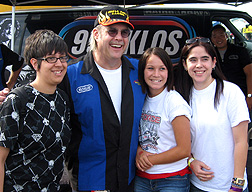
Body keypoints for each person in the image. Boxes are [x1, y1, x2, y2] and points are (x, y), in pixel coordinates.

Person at [58, 5, 146, 192]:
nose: (119, 38)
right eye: (111, 31)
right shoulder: (71, 74)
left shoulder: (140, 70)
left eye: (124, 33)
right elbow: (43, 102)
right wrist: (9, 98)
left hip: (131, 179)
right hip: (89, 180)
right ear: (96, 34)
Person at [175, 37, 249, 192]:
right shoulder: (181, 97)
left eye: (205, 59)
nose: (199, 65)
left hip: (229, 186)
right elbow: (180, 141)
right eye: (193, 60)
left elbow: (241, 142)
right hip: (197, 185)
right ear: (184, 64)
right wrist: (191, 162)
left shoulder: (230, 92)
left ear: (214, 62)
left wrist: (237, 185)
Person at [0, 29, 71, 191]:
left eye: (62, 58)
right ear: (34, 63)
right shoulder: (17, 100)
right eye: (51, 58)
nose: (59, 64)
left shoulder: (63, 99)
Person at [134, 47, 192, 192]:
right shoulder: (140, 98)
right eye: (150, 68)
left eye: (162, 69)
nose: (156, 74)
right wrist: (139, 151)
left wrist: (150, 160)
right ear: (142, 71)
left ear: (168, 72)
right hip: (142, 178)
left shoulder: (174, 102)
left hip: (172, 179)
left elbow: (184, 149)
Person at [210, 24, 252, 111]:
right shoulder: (210, 54)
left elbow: (250, 73)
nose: (218, 39)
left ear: (226, 36)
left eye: (221, 35)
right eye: (215, 36)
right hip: (218, 96)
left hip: (240, 93)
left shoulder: (240, 51)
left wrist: (249, 96)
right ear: (211, 39)